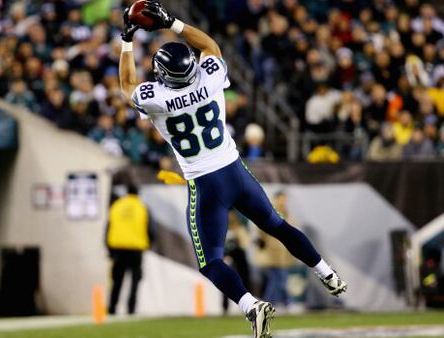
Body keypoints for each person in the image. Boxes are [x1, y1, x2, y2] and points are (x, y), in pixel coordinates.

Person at [119, 3, 347, 337]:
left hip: (205, 184)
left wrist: (127, 39)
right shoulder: (210, 78)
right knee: (279, 227)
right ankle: (327, 272)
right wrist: (172, 22)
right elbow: (210, 46)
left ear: (163, 76)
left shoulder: (156, 99)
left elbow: (126, 85)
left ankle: (250, 306)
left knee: (210, 261)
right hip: (236, 172)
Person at [106, 184, 150, 315]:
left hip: (118, 249)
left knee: (117, 281)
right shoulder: (142, 207)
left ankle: (112, 308)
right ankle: (131, 310)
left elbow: (108, 227)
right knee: (135, 281)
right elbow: (150, 230)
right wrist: (148, 244)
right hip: (136, 250)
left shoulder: (117, 206)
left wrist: (110, 250)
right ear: (138, 193)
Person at [255, 191, 295, 310]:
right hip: (273, 252)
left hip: (283, 252)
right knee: (278, 278)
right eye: (282, 199)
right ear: (277, 199)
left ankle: (282, 302)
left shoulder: (285, 212)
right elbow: (262, 229)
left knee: (279, 279)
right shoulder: (272, 210)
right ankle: (272, 303)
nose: (284, 202)